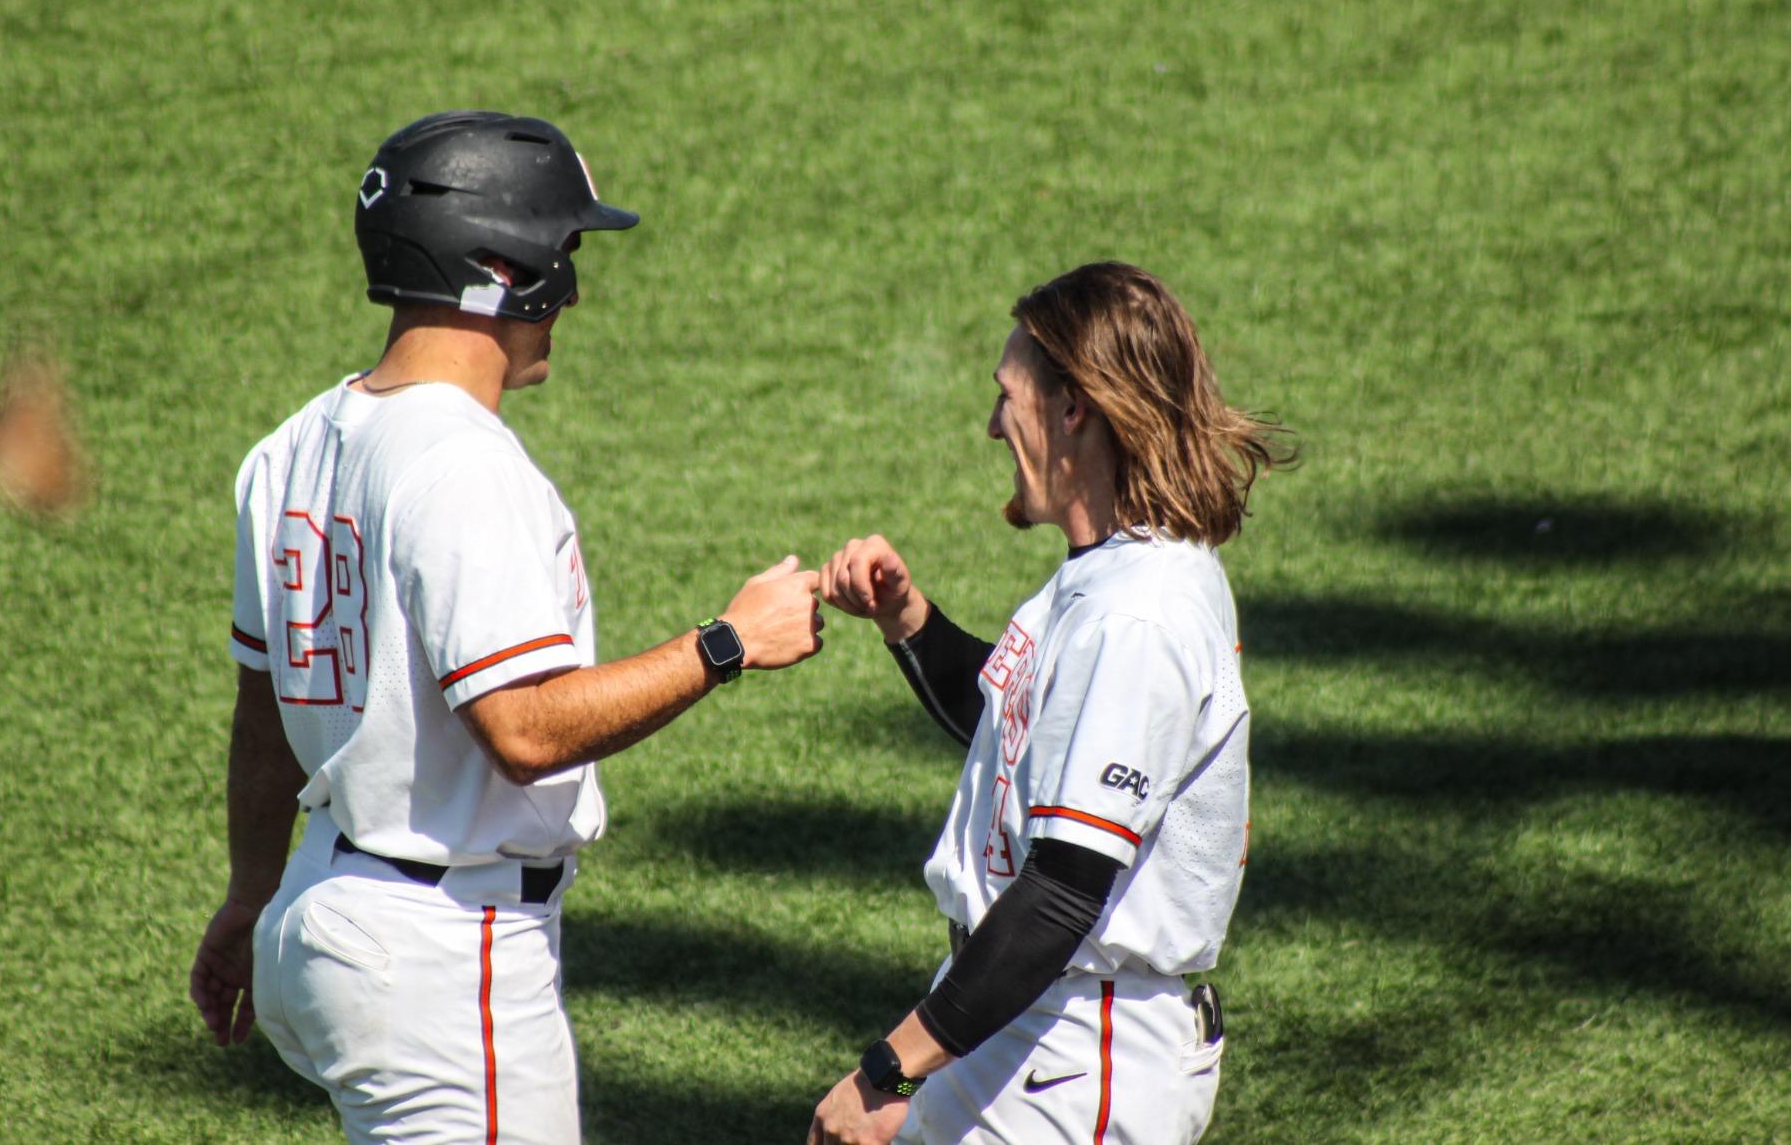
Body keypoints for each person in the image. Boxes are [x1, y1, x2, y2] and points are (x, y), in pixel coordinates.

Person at [188, 110, 825, 1144]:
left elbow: (262, 709)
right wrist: (726, 643)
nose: (570, 286)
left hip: (323, 903)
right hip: (442, 951)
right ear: (500, 263)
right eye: (563, 249)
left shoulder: (291, 446)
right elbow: (523, 729)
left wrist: (251, 892)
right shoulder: (461, 466)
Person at [808, 262, 1291, 1145]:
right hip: (1028, 1027)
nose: (993, 425)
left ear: (1075, 408)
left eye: (1007, 396)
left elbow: (1063, 892)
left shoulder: (1139, 615)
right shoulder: (1116, 569)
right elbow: (1027, 742)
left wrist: (888, 1067)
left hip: (1080, 1053)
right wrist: (907, 621)